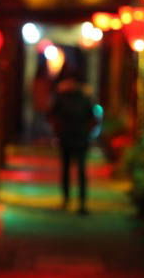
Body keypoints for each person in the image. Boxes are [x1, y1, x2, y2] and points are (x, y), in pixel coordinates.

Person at [49, 75, 97, 215]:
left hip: (69, 136)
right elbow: (92, 117)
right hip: (79, 137)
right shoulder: (84, 98)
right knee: (79, 170)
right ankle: (79, 202)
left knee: (68, 169)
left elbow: (52, 115)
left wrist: (58, 130)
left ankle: (69, 200)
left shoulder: (63, 98)